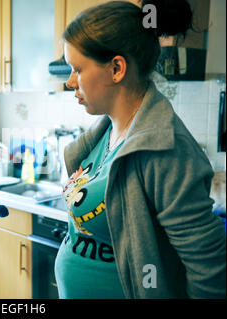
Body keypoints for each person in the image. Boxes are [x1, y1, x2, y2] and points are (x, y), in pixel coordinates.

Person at [55, 0, 226, 299]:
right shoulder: (107, 133)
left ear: (116, 68)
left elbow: (210, 269)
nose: (70, 82)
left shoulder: (166, 150)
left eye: (77, 69)